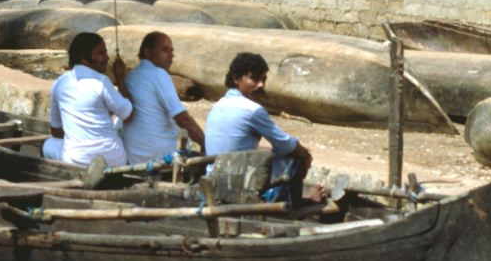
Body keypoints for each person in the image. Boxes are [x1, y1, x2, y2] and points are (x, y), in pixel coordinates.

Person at [204, 52, 323, 202]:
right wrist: (305, 155)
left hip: (213, 180)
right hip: (236, 184)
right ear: (236, 79)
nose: (261, 85)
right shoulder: (252, 110)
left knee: (270, 153)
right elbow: (286, 144)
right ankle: (295, 205)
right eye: (254, 79)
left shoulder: (218, 105)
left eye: (263, 80)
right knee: (297, 155)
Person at [48, 32, 133, 167]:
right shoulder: (101, 81)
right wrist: (121, 79)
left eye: (105, 52)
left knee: (47, 145)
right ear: (84, 58)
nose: (107, 58)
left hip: (78, 161)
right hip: (114, 160)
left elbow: (56, 132)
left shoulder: (59, 83)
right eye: (100, 53)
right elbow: (129, 115)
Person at [120, 31, 205, 164]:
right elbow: (182, 119)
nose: (171, 55)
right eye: (165, 50)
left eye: (172, 51)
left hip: (135, 155)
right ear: (148, 53)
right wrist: (206, 143)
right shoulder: (158, 74)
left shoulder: (131, 76)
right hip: (160, 156)